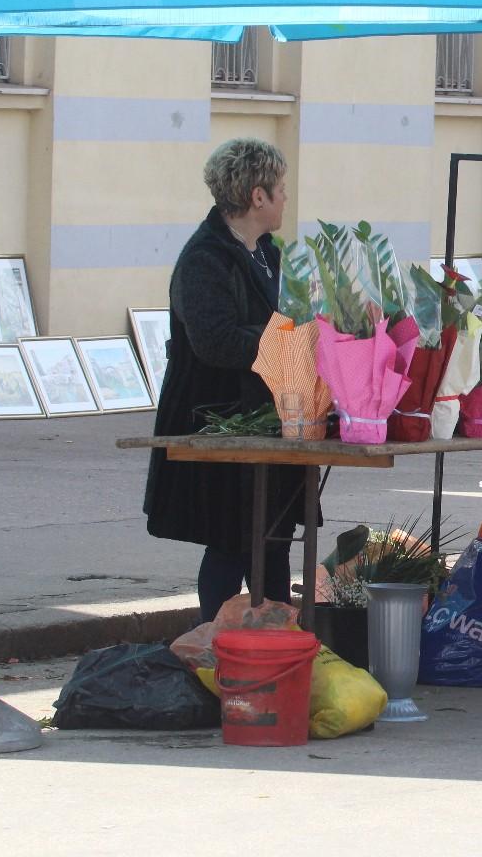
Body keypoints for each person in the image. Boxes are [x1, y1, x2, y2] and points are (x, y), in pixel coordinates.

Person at [144, 139, 309, 622]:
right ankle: (216, 649)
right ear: (257, 197)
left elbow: (283, 317)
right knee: (231, 540)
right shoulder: (204, 258)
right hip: (217, 417)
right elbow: (215, 342)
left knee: (273, 539)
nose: (284, 199)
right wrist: (287, 339)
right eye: (279, 190)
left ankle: (278, 643)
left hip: (265, 415)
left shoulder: (267, 252)